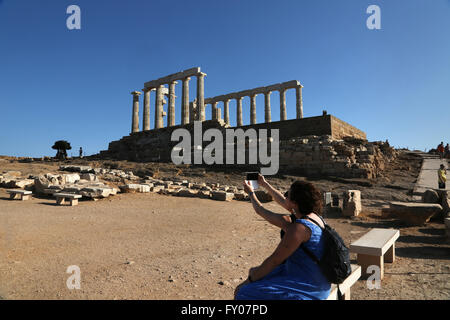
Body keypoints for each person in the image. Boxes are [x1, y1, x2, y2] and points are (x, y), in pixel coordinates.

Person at [234, 174, 331, 300]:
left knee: (244, 292)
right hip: (317, 279)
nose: (285, 197)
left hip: (308, 286)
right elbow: (285, 202)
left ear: (295, 204)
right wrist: (264, 184)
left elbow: (274, 260)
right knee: (255, 272)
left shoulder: (299, 228)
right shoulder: (315, 217)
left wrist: (248, 281)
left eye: (288, 195)